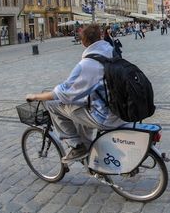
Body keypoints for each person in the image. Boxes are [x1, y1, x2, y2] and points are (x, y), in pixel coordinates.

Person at [26, 24, 127, 163]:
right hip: (121, 109)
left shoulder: (88, 64)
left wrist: (36, 96)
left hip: (105, 116)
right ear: (100, 37)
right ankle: (91, 160)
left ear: (83, 42)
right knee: (78, 107)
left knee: (52, 104)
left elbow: (64, 93)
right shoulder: (110, 52)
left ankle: (76, 145)